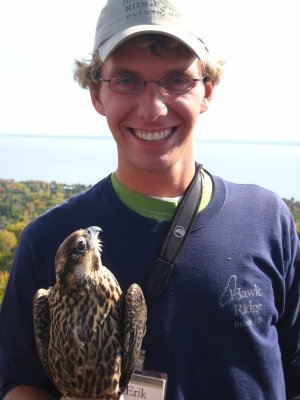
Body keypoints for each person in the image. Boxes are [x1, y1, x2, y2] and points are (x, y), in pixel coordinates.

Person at [0, 0, 299, 399]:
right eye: (126, 80)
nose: (153, 108)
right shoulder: (49, 239)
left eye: (177, 80)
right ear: (96, 93)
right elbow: (18, 383)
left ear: (207, 90)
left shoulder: (266, 220)